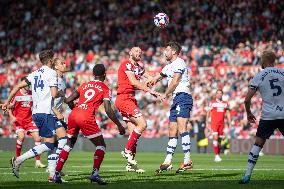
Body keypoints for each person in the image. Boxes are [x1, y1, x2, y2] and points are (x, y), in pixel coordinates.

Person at [53, 64, 125, 185]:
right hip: (85, 116)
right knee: (101, 145)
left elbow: (68, 100)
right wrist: (119, 124)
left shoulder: (84, 85)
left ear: (93, 74)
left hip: (73, 115)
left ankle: (56, 174)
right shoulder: (105, 88)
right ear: (104, 75)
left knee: (69, 144)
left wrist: (67, 100)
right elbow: (108, 109)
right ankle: (95, 174)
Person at [2, 49, 61, 178]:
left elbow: (17, 86)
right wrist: (61, 93)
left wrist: (7, 101)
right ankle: (19, 160)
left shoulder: (34, 73)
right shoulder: (51, 73)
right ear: (51, 60)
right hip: (46, 112)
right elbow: (54, 94)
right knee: (50, 143)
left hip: (36, 113)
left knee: (52, 142)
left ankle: (53, 175)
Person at [148, 41, 193, 174]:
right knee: (172, 130)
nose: (164, 52)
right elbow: (156, 78)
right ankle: (168, 161)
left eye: (166, 50)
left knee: (181, 127)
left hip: (183, 96)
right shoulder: (168, 66)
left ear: (173, 51)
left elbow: (175, 81)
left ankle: (187, 160)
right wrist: (147, 82)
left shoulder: (180, 62)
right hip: (175, 98)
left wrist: (165, 94)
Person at [240, 50, 284, 184]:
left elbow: (247, 100)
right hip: (283, 113)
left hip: (268, 115)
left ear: (264, 61)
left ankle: (247, 175)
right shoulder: (283, 73)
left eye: (260, 60)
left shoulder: (259, 75)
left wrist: (248, 113)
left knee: (258, 144)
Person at [115, 47, 161, 173]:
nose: (139, 53)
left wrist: (161, 76)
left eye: (140, 52)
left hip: (129, 99)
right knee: (142, 124)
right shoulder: (126, 64)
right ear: (130, 53)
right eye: (136, 51)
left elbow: (150, 77)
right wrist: (150, 90)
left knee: (133, 136)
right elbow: (133, 82)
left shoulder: (138, 67)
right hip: (124, 99)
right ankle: (126, 151)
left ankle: (130, 165)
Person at [8, 77, 46, 168]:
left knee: (38, 139)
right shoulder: (16, 95)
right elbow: (10, 107)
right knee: (21, 137)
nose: (29, 86)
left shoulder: (32, 94)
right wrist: (12, 117)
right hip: (19, 121)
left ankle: (38, 162)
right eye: (27, 84)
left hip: (29, 120)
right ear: (23, 84)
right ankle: (17, 159)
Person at [46, 57, 68, 182]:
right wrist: (57, 112)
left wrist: (71, 103)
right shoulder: (53, 79)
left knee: (52, 145)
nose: (65, 64)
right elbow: (48, 99)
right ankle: (54, 170)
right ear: (56, 67)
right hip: (51, 114)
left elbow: (62, 98)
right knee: (64, 140)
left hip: (55, 114)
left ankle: (52, 172)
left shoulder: (62, 80)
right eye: (62, 63)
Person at [206, 89, 231, 162]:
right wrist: (207, 122)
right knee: (215, 137)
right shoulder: (212, 103)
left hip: (221, 124)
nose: (219, 94)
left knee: (220, 140)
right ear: (216, 94)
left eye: (221, 93)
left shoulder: (225, 103)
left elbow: (228, 113)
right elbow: (208, 113)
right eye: (218, 93)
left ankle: (218, 155)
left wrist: (229, 122)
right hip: (214, 123)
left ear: (222, 94)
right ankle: (216, 155)